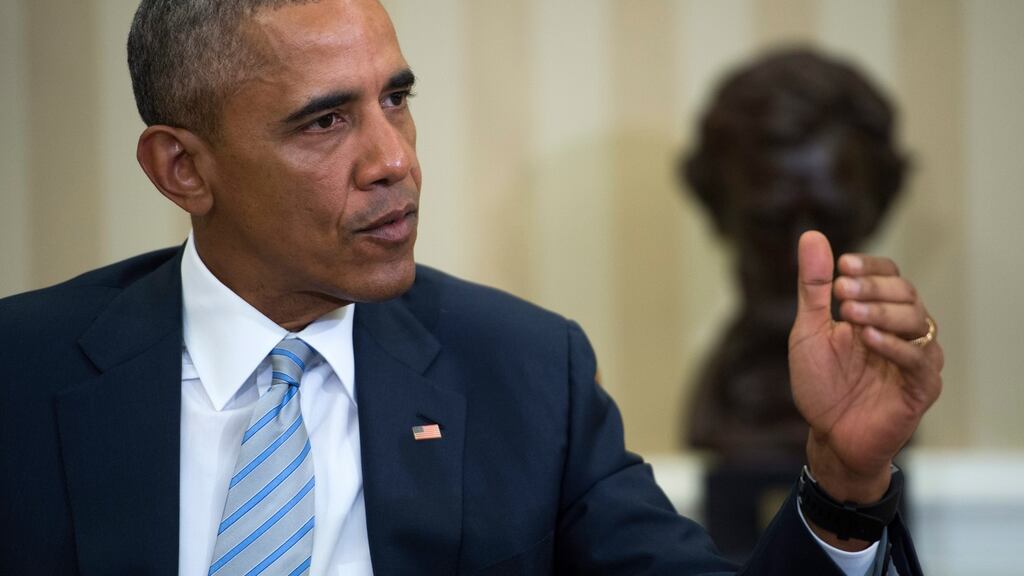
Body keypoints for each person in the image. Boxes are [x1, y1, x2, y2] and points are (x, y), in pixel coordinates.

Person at [0, 1, 942, 575]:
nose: (393, 161)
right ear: (181, 170)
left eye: (396, 101)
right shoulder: (22, 373)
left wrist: (844, 481)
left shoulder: (526, 373)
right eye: (324, 121)